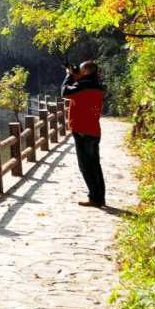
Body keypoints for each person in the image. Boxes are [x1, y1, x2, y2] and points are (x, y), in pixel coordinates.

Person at [62, 61, 106, 207]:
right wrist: (76, 77)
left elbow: (65, 92)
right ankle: (99, 197)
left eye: (81, 71)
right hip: (93, 129)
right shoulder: (97, 84)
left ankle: (95, 198)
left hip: (82, 130)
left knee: (86, 165)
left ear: (86, 71)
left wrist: (69, 76)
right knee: (95, 165)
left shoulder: (83, 85)